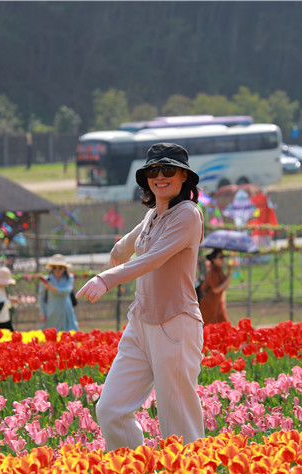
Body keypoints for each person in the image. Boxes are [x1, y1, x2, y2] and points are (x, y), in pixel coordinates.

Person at [76, 142, 205, 452]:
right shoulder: (152, 216)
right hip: (140, 324)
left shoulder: (187, 215)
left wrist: (106, 278)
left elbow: (152, 259)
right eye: (153, 171)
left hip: (174, 325)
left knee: (177, 423)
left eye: (168, 170)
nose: (160, 176)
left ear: (184, 177)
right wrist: (115, 254)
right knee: (111, 410)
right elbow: (125, 247)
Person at [38, 254, 79, 332]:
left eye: (60, 267)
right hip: (51, 313)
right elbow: (41, 298)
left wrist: (52, 288)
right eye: (54, 267)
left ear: (64, 268)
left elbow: (67, 291)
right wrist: (42, 313)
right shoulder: (47, 280)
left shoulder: (69, 278)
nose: (57, 270)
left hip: (66, 312)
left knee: (70, 335)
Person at [199, 248, 232, 324]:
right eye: (220, 257)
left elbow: (224, 285)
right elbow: (216, 289)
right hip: (208, 307)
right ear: (214, 260)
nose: (223, 259)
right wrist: (228, 275)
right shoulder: (212, 273)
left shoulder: (219, 271)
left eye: (223, 257)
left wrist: (229, 273)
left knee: (225, 327)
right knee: (208, 330)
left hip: (217, 306)